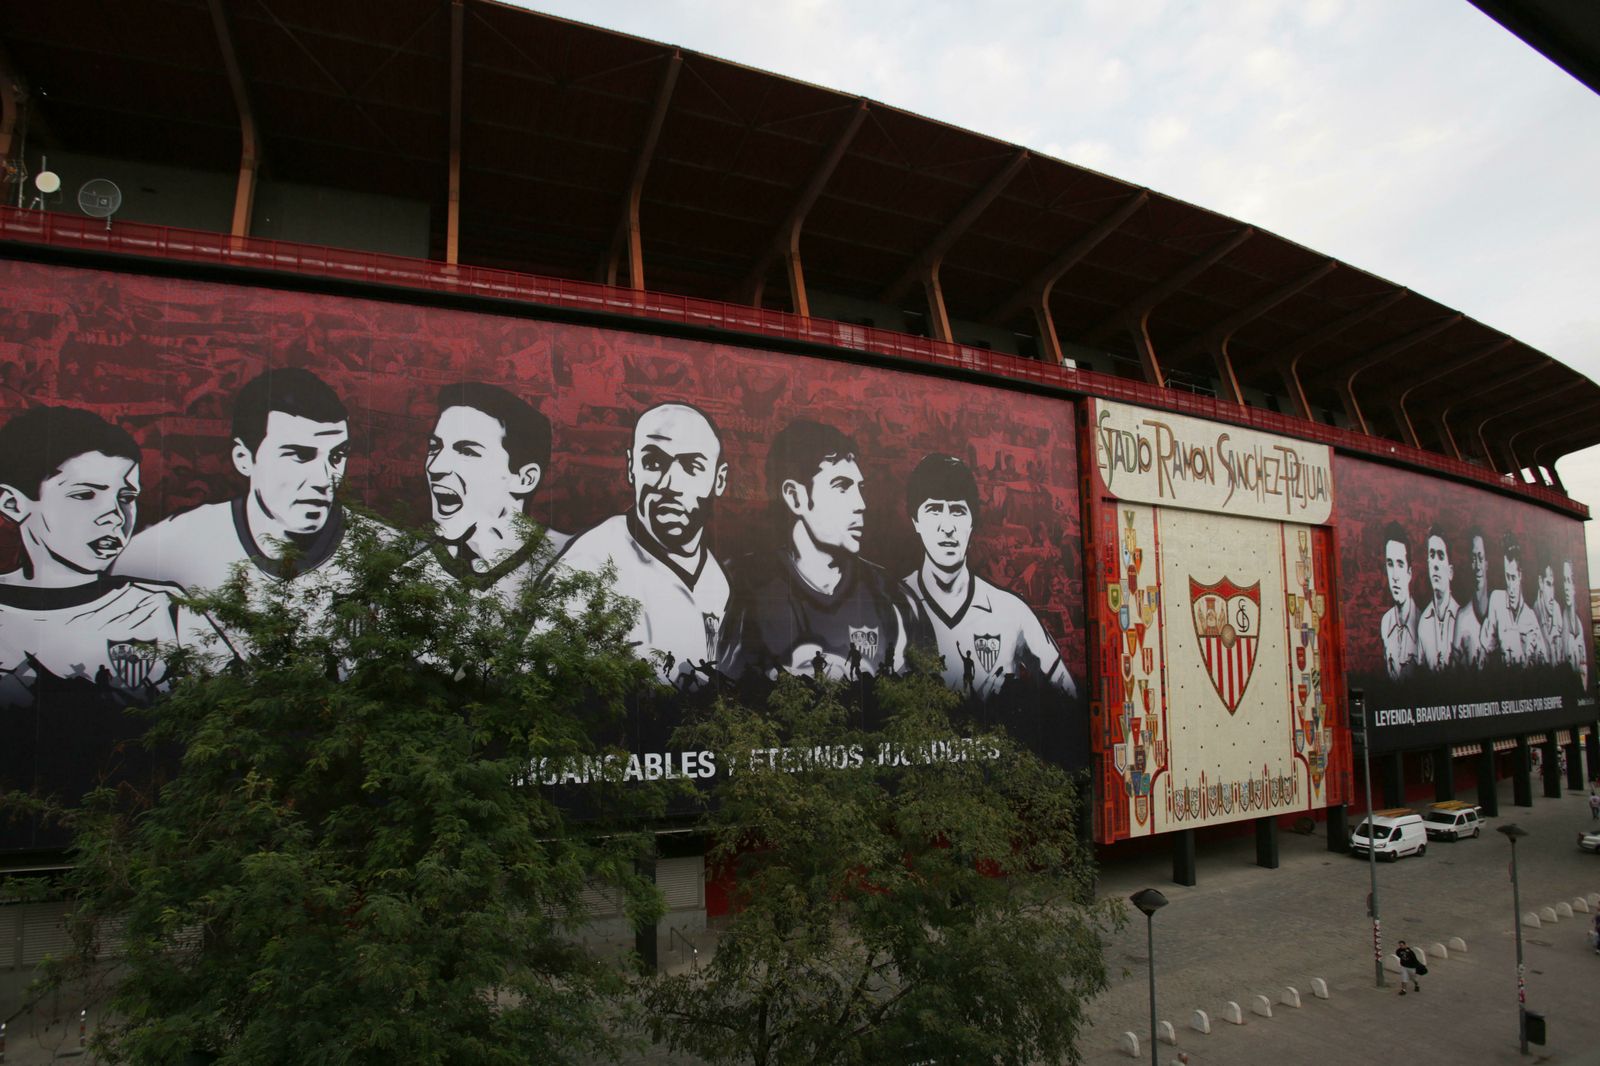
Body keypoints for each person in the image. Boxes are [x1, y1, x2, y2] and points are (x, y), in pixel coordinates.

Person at [0, 406, 226, 707]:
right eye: (85, 495)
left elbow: (232, 717)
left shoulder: (165, 609)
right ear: (13, 504)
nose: (116, 516)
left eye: (127, 498)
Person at [717, 419, 929, 682]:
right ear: (796, 497)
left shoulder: (892, 598)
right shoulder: (740, 586)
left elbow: (920, 699)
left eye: (860, 488)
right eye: (842, 487)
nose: (860, 504)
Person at [115, 367, 356, 591]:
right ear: (244, 458)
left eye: (336, 456)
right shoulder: (163, 550)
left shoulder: (384, 554)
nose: (323, 480)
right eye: (300, 455)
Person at [556, 403, 729, 687]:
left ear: (718, 479)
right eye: (653, 463)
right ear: (631, 468)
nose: (670, 483)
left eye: (692, 466)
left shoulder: (716, 579)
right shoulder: (591, 563)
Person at [898, 454, 1076, 700]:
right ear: (915, 520)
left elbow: (1067, 692)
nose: (947, 526)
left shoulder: (1012, 611)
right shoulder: (892, 604)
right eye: (934, 509)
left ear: (973, 522)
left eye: (958, 511)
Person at [423, 382, 567, 600]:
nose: (435, 467)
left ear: (524, 478)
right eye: (435, 447)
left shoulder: (569, 561)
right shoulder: (412, 567)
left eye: (467, 452)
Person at [1479, 534, 1549, 667]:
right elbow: (1486, 648)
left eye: (1513, 578)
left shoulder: (1531, 619)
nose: (1510, 585)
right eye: (1507, 577)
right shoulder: (1496, 601)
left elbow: (1543, 662)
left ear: (1520, 575)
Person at [1417, 525, 1479, 670]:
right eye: (1432, 555)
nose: (1436, 564)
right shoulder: (1423, 624)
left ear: (1450, 572)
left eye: (1440, 555)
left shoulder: (1463, 620)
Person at [1380, 522, 1420, 680]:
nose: (1395, 575)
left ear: (1409, 572)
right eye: (1390, 564)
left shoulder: (1421, 623)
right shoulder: (1386, 623)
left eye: (1400, 564)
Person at [1561, 560, 1589, 688]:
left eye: (1570, 580)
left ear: (1575, 586)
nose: (1566, 586)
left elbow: (1584, 670)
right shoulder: (1560, 618)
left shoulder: (1580, 625)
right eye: (1564, 580)